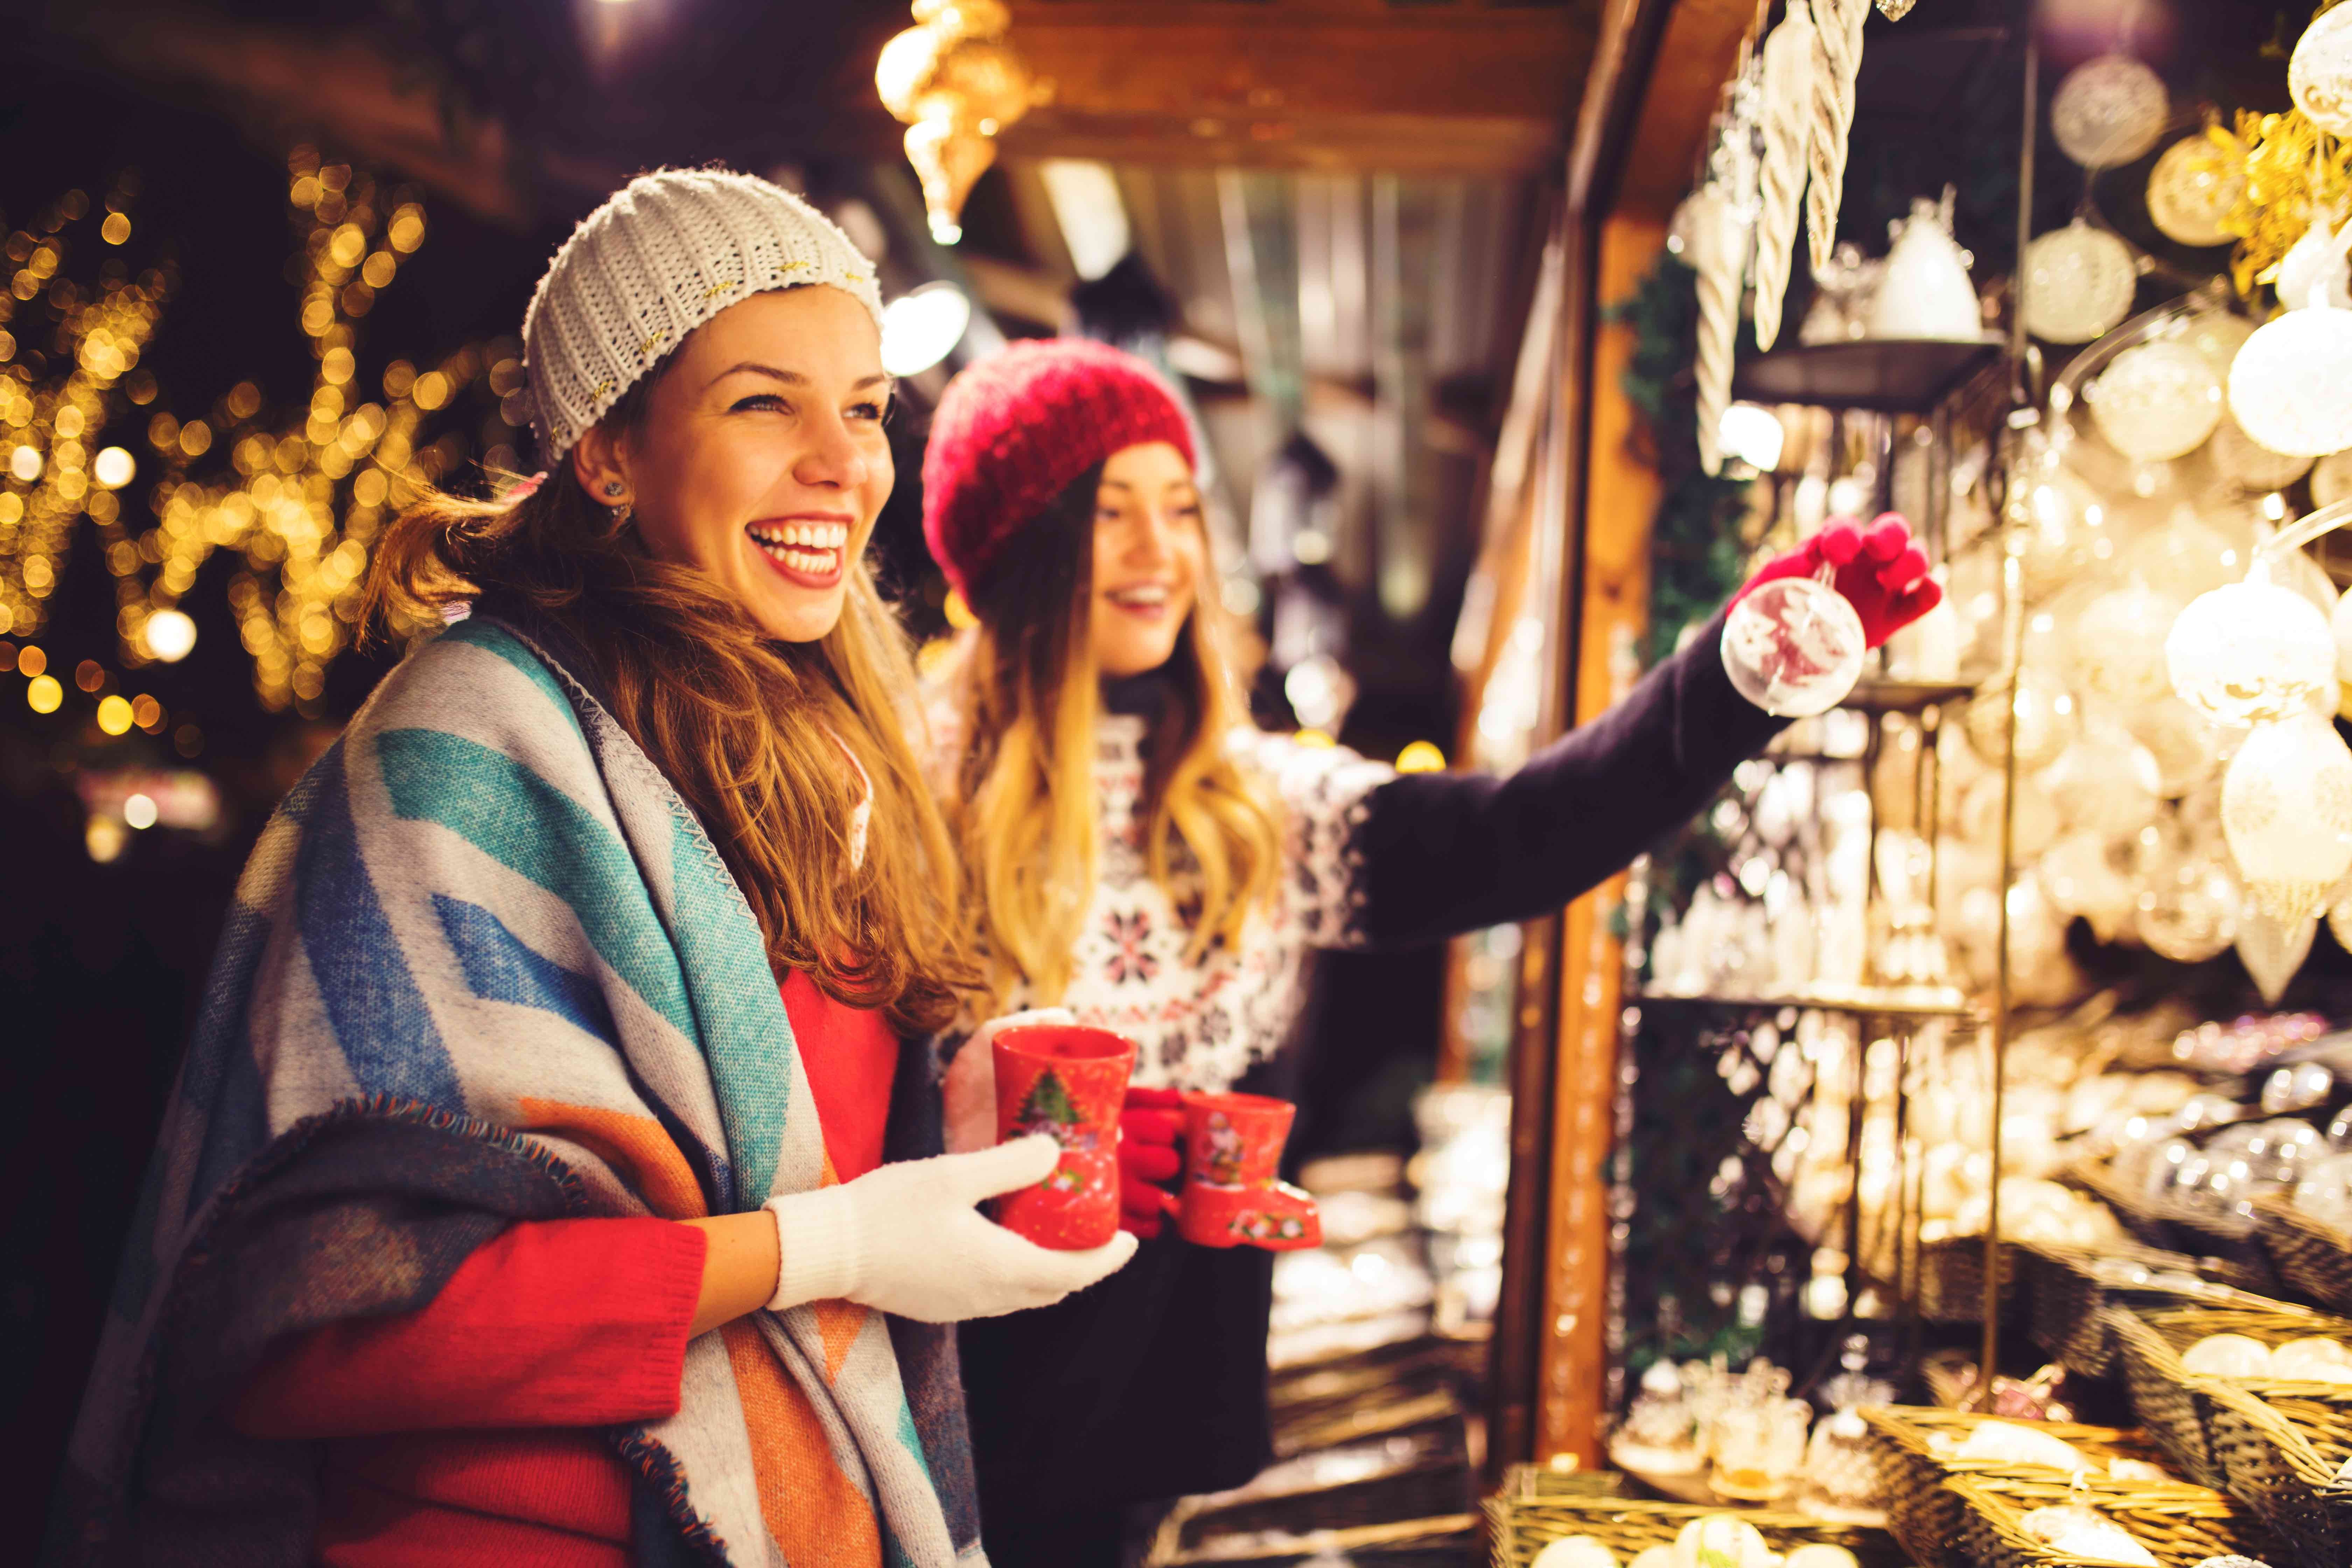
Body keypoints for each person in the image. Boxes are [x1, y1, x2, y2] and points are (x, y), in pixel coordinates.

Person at [52, 170, 1132, 1568]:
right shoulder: (464, 752)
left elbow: (798, 1155)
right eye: (763, 402)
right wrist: (836, 1250)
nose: (843, 461)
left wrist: (964, 1121)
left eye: (863, 406)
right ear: (610, 450)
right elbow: (319, 1329)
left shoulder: (824, 750)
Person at [916, 338, 1941, 1564]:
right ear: (1010, 551)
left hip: (1154, 1438)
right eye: (1107, 513)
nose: (1160, 553)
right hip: (936, 1416)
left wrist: (1732, 678)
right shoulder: (910, 802)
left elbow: (1519, 836)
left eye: (1182, 509)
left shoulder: (1259, 807)